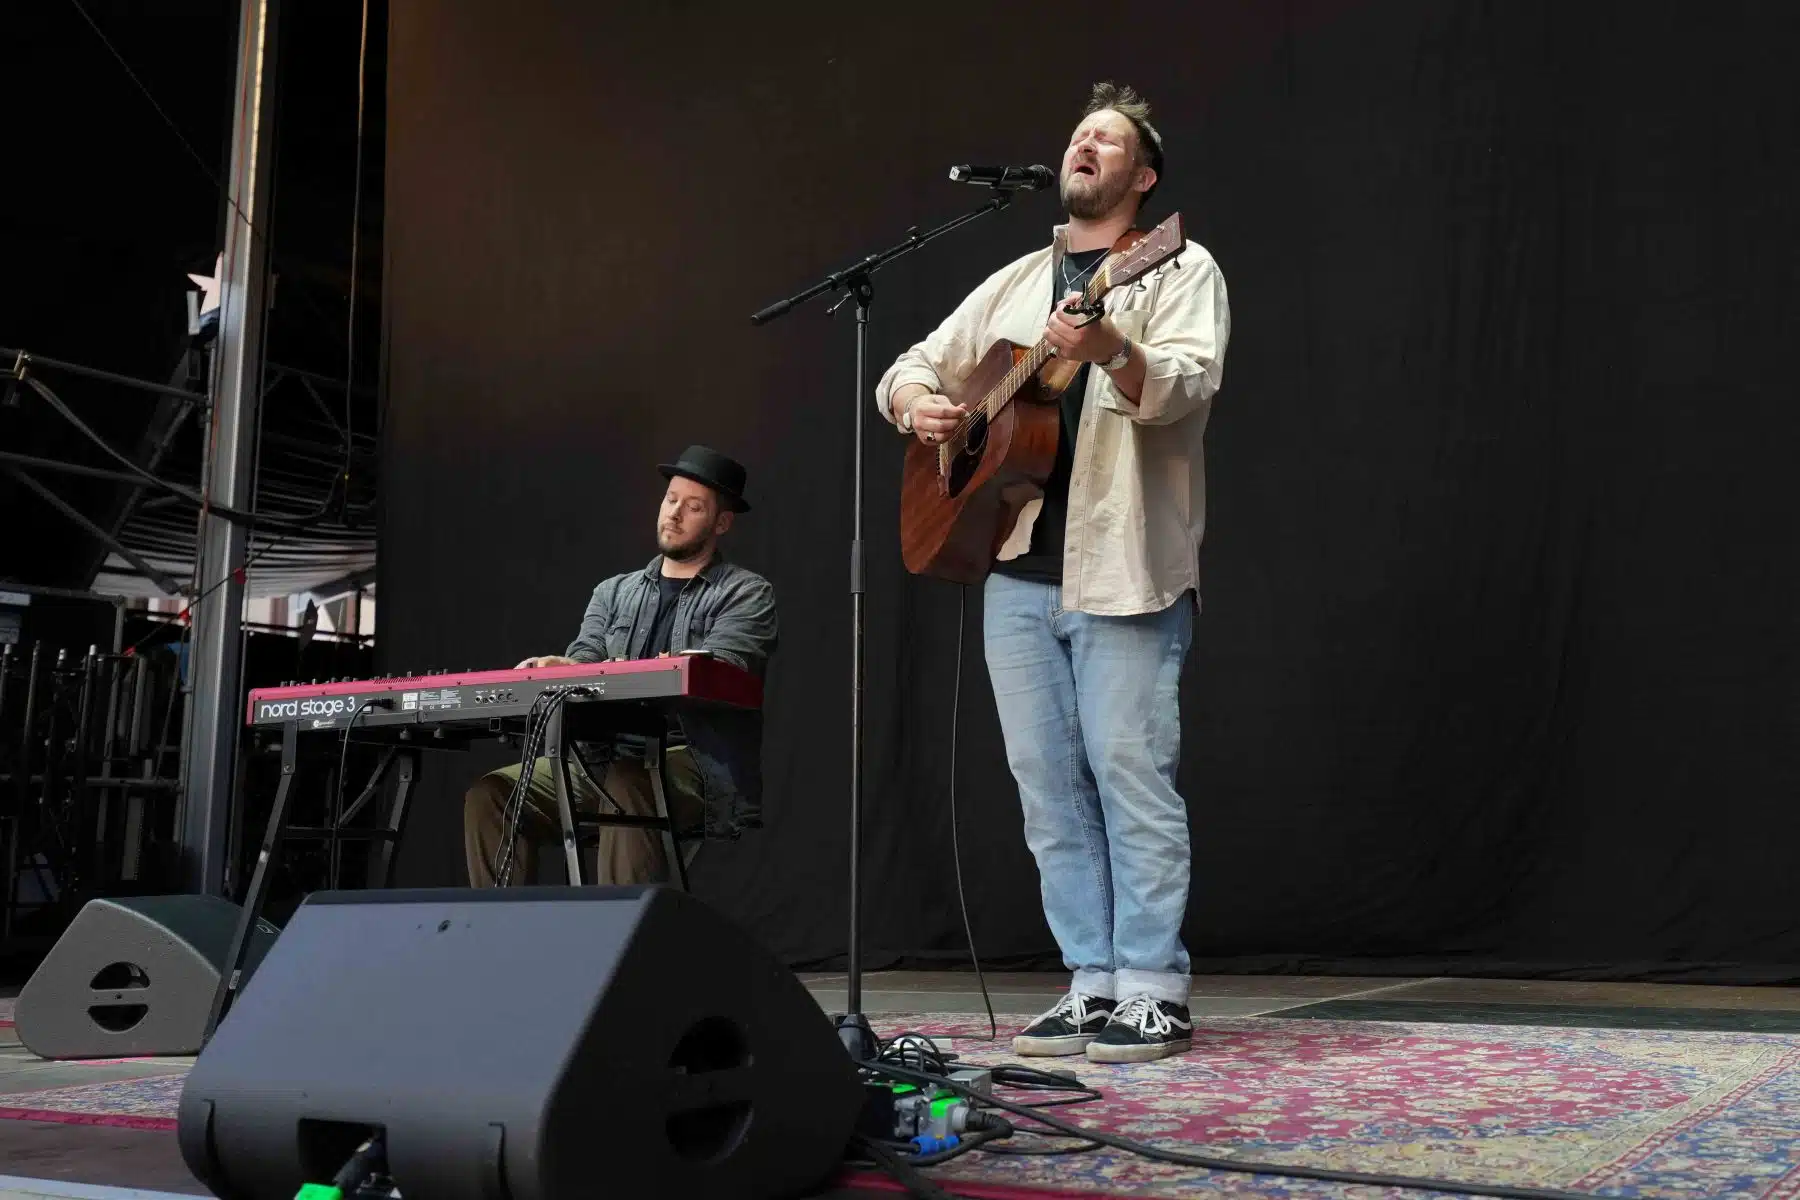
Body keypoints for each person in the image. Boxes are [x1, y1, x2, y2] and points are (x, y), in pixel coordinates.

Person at [878, 83, 1230, 1063]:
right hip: (1015, 574)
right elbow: (913, 364)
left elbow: (1189, 387)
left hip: (1125, 570)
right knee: (1046, 790)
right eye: (1079, 134)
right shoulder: (1016, 281)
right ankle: (1091, 984)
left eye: (1108, 139)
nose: (1085, 144)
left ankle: (1154, 985)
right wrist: (923, 410)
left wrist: (1115, 349)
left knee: (1130, 774)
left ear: (1142, 177)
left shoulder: (1178, 267)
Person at [463, 445, 777, 887]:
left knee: (629, 783)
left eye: (694, 507)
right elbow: (587, 659)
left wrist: (653, 670)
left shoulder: (746, 593)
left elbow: (721, 668)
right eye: (671, 500)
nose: (674, 514)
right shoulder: (613, 592)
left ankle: (617, 948)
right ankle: (505, 948)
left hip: (695, 765)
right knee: (492, 795)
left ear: (721, 523)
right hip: (601, 761)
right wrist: (563, 667)